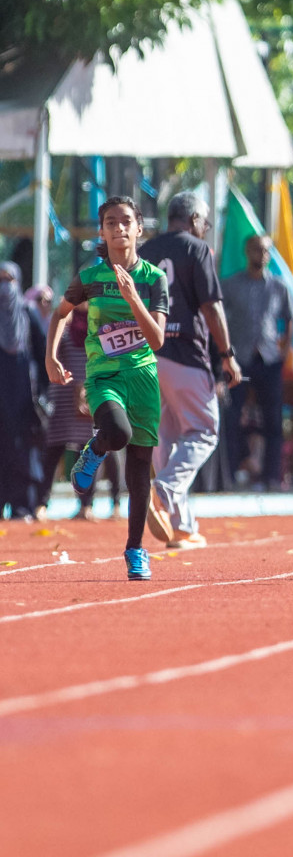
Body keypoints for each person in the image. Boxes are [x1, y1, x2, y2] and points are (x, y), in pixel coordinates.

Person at [45, 197, 171, 579]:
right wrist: (52, 357)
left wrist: (133, 297)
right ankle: (94, 449)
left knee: (138, 472)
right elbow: (60, 314)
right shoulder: (89, 278)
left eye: (126, 222)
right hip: (104, 377)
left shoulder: (154, 279)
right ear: (101, 232)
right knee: (116, 432)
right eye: (111, 222)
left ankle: (135, 550)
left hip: (144, 380)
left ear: (138, 229)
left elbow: (157, 340)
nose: (119, 228)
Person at [138, 191, 242, 548]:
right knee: (203, 432)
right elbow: (212, 308)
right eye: (206, 222)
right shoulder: (198, 250)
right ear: (195, 219)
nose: (206, 229)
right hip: (186, 355)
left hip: (148, 357)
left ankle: (181, 526)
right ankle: (163, 492)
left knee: (165, 439)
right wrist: (227, 354)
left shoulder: (145, 251)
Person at [223, 235, 293, 491]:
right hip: (239, 361)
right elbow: (218, 317)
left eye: (266, 250)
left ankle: (271, 476)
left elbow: (290, 318)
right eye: (257, 249)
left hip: (268, 360)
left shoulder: (279, 286)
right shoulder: (231, 285)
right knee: (232, 417)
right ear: (247, 251)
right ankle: (231, 474)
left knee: (273, 420)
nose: (261, 255)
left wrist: (284, 350)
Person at [41, 308, 125, 519]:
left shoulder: (104, 323)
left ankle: (109, 503)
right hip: (65, 396)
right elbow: (52, 352)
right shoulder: (65, 325)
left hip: (98, 392)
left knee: (102, 449)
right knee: (55, 448)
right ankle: (43, 503)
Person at [0, 262, 47, 521]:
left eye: (9, 279)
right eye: (0, 280)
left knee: (22, 452)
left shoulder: (28, 314)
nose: (5, 286)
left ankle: (21, 506)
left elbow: (42, 356)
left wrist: (43, 393)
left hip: (22, 398)